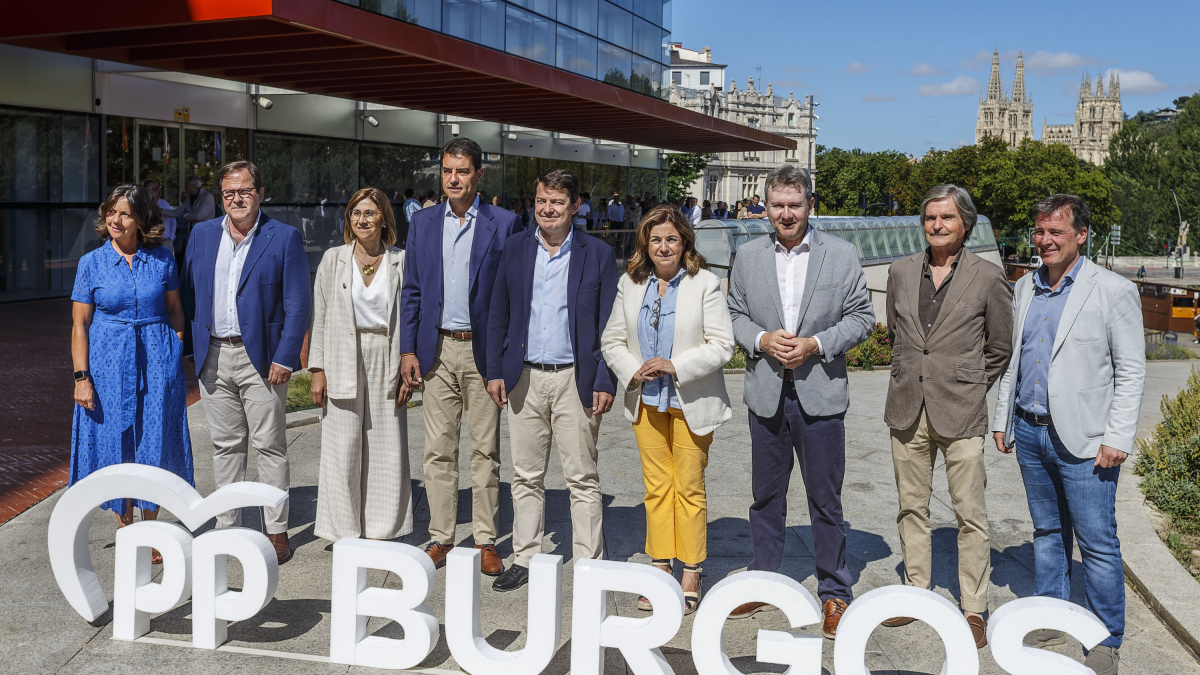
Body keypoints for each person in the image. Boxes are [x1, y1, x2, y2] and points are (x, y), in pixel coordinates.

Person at [991, 194, 1145, 675]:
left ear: (1081, 235)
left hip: (1087, 440)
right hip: (1030, 431)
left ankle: (1105, 637)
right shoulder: (1026, 287)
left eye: (1056, 232)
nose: (1045, 240)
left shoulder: (1113, 290)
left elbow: (1131, 370)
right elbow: (1014, 361)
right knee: (1046, 531)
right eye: (1040, 231)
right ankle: (1052, 613)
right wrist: (1002, 418)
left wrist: (1117, 436)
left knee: (1097, 541)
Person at [726, 165, 874, 637]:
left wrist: (816, 344)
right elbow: (732, 314)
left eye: (795, 204)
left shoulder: (842, 254)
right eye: (777, 205)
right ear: (765, 208)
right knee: (765, 497)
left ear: (811, 204)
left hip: (821, 394)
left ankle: (834, 591)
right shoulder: (747, 255)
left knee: (825, 500)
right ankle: (765, 580)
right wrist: (762, 338)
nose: (786, 214)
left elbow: (862, 317)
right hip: (766, 393)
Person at [881, 185, 1013, 648]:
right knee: (910, 507)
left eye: (947, 218)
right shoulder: (900, 271)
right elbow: (899, 332)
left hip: (961, 409)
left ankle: (973, 606)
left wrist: (971, 383)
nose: (937, 225)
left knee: (970, 514)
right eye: (930, 218)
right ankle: (917, 592)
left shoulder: (989, 276)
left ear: (966, 224)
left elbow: (999, 345)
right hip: (906, 408)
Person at [486, 168, 619, 592]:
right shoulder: (515, 249)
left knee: (581, 477)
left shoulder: (596, 253)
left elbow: (610, 325)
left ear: (574, 207)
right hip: (523, 377)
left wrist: (604, 379)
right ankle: (525, 557)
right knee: (525, 475)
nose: (547, 209)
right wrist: (494, 371)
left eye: (557, 202)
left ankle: (589, 564)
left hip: (574, 380)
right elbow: (498, 314)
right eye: (542, 200)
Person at [600, 205, 734, 614]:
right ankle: (661, 565)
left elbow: (722, 345)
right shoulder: (631, 282)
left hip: (690, 401)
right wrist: (633, 371)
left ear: (685, 242)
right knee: (656, 488)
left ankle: (691, 569)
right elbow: (612, 340)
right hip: (646, 400)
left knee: (688, 487)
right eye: (655, 239)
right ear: (645, 243)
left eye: (671, 239)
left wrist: (675, 365)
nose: (663, 247)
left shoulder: (705, 284)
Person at [399, 138, 521, 574]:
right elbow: (411, 290)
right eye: (448, 171)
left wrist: (507, 356)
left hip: (483, 351)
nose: (454, 179)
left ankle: (487, 539)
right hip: (436, 349)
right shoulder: (424, 223)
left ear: (478, 175)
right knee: (438, 449)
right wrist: (408, 348)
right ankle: (441, 536)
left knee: (484, 451)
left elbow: (512, 294)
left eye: (463, 171)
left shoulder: (504, 223)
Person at [183, 160, 311, 565]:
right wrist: (194, 347)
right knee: (225, 447)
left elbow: (297, 304)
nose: (236, 199)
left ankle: (276, 531)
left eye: (244, 191)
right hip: (214, 357)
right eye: (228, 193)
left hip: (264, 360)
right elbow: (189, 292)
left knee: (270, 446)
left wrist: (286, 357)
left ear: (260, 192)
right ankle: (229, 529)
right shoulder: (201, 234)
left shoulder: (284, 237)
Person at [71, 184, 194, 564]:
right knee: (116, 438)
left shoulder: (161, 259)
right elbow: (79, 325)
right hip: (108, 361)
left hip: (157, 358)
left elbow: (175, 308)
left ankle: (153, 527)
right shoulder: (90, 263)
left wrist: (174, 346)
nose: (115, 220)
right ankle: (126, 525)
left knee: (153, 438)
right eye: (111, 212)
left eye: (124, 213)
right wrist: (81, 378)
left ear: (142, 219)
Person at [309, 188, 414, 542]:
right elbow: (319, 315)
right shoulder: (333, 258)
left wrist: (407, 362)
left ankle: (384, 530)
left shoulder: (402, 260)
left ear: (384, 217)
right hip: (342, 351)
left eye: (369, 213)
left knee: (387, 445)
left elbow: (411, 316)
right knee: (343, 447)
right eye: (355, 213)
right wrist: (317, 369)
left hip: (386, 351)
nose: (362, 220)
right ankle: (344, 530)